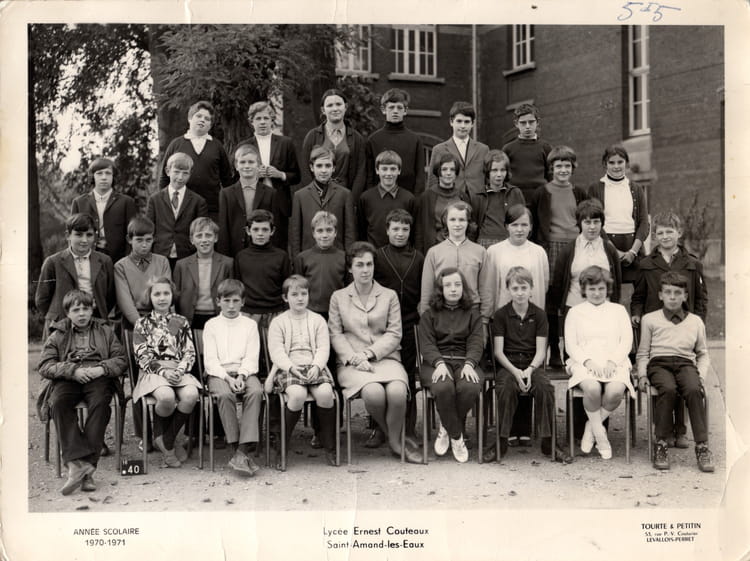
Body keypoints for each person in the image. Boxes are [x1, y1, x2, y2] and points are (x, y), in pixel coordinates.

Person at [328, 242, 421, 463]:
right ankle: (395, 440)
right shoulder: (338, 297)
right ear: (350, 268)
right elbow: (335, 334)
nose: (365, 270)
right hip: (352, 362)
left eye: (369, 264)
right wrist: (354, 358)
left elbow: (394, 333)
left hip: (385, 358)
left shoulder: (389, 295)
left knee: (398, 391)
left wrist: (368, 353)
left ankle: (393, 439)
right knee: (373, 393)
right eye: (359, 265)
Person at [631, 210, 708, 449]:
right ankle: (662, 430)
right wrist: (636, 313)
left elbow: (701, 298)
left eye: (669, 232)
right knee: (665, 384)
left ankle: (681, 430)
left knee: (685, 379)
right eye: (660, 232)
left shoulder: (692, 264)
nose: (665, 236)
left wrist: (697, 322)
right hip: (657, 329)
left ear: (679, 233)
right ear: (654, 236)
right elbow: (638, 296)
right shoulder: (646, 264)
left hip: (682, 328)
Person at [38, 289, 126, 495]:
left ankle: (80, 467)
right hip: (69, 377)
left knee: (101, 403)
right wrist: (72, 371)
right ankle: (83, 469)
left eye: (86, 308)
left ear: (92, 309)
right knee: (58, 402)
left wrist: (101, 369)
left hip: (97, 376)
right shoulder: (58, 333)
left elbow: (121, 359)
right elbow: (45, 365)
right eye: (76, 310)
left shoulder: (105, 330)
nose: (82, 313)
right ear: (67, 313)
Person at [488, 267, 571, 463]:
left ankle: (549, 442)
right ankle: (501, 441)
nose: (519, 293)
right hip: (509, 365)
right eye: (515, 288)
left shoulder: (539, 315)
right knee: (505, 389)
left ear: (531, 289)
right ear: (508, 290)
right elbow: (498, 351)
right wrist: (516, 372)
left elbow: (541, 351)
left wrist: (530, 370)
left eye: (524, 288)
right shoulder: (501, 315)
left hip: (532, 364)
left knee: (545, 388)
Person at [636, 272, 713, 472]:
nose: (672, 297)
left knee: (694, 390)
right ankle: (661, 444)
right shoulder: (649, 319)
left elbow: (703, 354)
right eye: (668, 292)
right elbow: (643, 353)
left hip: (686, 364)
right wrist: (642, 374)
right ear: (660, 295)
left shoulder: (695, 321)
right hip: (659, 364)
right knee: (668, 389)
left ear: (685, 296)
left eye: (677, 293)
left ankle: (702, 446)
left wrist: (700, 376)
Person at [264, 275, 338, 466]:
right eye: (294, 294)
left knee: (326, 393)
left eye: (304, 294)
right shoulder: (279, 322)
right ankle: (282, 446)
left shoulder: (318, 320)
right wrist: (290, 367)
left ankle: (330, 446)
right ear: (285, 297)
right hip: (288, 368)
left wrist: (317, 366)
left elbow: (323, 348)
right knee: (297, 395)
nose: (300, 298)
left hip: (313, 366)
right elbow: (276, 352)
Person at [527, 145, 588, 368]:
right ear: (551, 168)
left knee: (573, 299)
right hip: (550, 247)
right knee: (552, 303)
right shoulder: (541, 193)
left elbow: (586, 220)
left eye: (567, 166)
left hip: (575, 247)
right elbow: (535, 225)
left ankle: (573, 351)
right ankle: (553, 351)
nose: (563, 170)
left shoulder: (579, 192)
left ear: (573, 168)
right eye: (559, 166)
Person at [564, 266, 634, 459]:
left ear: (607, 289)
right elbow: (570, 344)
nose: (596, 293)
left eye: (601, 288)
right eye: (592, 289)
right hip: (584, 362)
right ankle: (601, 438)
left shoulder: (618, 310)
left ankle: (591, 427)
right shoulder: (575, 312)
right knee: (593, 389)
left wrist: (613, 361)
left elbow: (626, 341)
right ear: (584, 289)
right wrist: (587, 362)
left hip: (615, 361)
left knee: (615, 392)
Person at [113, 216, 171, 450]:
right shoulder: (121, 266)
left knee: (162, 375)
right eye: (139, 240)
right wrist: (142, 326)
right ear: (130, 240)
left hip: (161, 322)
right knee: (139, 379)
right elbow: (125, 300)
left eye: (148, 240)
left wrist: (162, 325)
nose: (144, 244)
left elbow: (166, 292)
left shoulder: (162, 261)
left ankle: (161, 432)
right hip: (134, 325)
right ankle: (144, 435)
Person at [132, 277, 201, 467]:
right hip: (153, 371)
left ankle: (167, 440)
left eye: (166, 293)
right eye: (157, 294)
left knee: (191, 395)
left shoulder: (181, 321)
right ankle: (163, 439)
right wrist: (163, 372)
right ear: (150, 297)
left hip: (178, 368)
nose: (162, 298)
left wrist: (180, 370)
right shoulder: (142, 323)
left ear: (172, 296)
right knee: (166, 397)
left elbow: (189, 351)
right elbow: (142, 356)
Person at [417, 268, 483, 463]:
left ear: (463, 287)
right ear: (441, 289)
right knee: (443, 387)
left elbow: (476, 342)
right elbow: (427, 344)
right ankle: (457, 437)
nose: (453, 289)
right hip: (436, 362)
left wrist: (470, 364)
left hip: (465, 361)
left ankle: (446, 427)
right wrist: (438, 363)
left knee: (470, 387)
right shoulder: (429, 315)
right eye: (448, 285)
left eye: (457, 284)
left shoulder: (473, 314)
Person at [202, 279, 263, 475]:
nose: (231, 306)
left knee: (256, 391)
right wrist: (229, 379)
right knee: (224, 395)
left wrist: (242, 376)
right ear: (218, 301)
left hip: (245, 371)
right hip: (219, 373)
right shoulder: (211, 325)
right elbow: (210, 361)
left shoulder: (250, 325)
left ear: (243, 302)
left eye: (236, 301)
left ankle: (241, 451)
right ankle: (235, 446)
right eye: (226, 300)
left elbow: (252, 357)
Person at [374, 209, 425, 443]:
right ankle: (379, 428)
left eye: (405, 229)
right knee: (380, 375)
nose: (400, 233)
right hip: (383, 325)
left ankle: (409, 427)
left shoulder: (419, 258)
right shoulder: (378, 256)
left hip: (409, 322)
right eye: (395, 228)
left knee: (407, 375)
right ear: (387, 230)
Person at [587, 145, 649, 303]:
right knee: (609, 295)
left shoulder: (636, 189)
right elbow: (594, 221)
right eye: (612, 162)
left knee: (641, 296)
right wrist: (615, 251)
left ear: (626, 163)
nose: (616, 166)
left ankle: (637, 319)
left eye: (620, 162)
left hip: (633, 247)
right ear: (605, 164)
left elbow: (644, 222)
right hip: (607, 246)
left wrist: (633, 252)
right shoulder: (595, 189)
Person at [235, 101, 301, 250]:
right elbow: (236, 177)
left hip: (279, 201)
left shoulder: (285, 143)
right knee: (253, 241)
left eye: (266, 118)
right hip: (253, 200)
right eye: (258, 118)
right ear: (252, 121)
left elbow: (297, 176)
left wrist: (280, 174)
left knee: (279, 243)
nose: (263, 122)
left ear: (272, 120)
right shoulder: (244, 146)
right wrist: (253, 175)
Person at [550, 199, 623, 331]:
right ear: (579, 223)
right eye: (587, 222)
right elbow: (558, 286)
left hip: (604, 312)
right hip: (574, 309)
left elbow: (616, 283)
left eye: (596, 222)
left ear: (602, 223)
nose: (592, 227)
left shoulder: (610, 250)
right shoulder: (568, 251)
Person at [158, 100, 234, 220]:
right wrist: (164, 205)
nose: (202, 120)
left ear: (210, 125)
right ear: (190, 119)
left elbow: (227, 180)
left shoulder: (217, 146)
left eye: (207, 119)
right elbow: (164, 178)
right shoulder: (176, 144)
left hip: (211, 208)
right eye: (198, 116)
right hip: (181, 208)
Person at [35, 213, 115, 327]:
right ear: (68, 235)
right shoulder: (53, 262)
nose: (84, 240)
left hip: (95, 321)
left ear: (95, 236)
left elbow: (110, 296)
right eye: (78, 235)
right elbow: (42, 299)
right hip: (62, 323)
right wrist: (57, 317)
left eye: (89, 235)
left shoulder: (105, 261)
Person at [419, 201, 492, 324]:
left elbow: (485, 288)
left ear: (468, 222)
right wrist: (426, 316)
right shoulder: (434, 252)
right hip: (442, 312)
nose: (457, 224)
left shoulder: (480, 251)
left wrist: (484, 318)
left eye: (462, 220)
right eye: (452, 220)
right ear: (445, 222)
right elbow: (427, 289)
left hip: (472, 312)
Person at [300, 89, 367, 205]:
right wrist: (314, 198)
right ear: (323, 110)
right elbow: (305, 170)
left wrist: (352, 200)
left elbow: (361, 172)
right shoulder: (312, 136)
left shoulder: (357, 138)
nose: (335, 109)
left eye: (338, 104)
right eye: (330, 105)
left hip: (346, 196)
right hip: (318, 197)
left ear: (345, 107)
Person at [290, 146, 356, 260]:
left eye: (328, 165)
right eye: (319, 166)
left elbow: (349, 232)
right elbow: (295, 234)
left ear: (333, 168)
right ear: (312, 167)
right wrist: (297, 261)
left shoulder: (345, 194)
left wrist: (348, 259)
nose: (324, 170)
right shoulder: (300, 196)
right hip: (308, 257)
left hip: (337, 257)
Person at [147, 152, 209, 269]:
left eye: (185, 173)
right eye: (176, 172)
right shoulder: (155, 200)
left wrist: (192, 249)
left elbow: (200, 231)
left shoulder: (198, 201)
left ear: (190, 174)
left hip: (187, 257)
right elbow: (149, 229)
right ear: (168, 171)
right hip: (160, 256)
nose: (180, 177)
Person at [217, 143, 280, 257]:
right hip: (234, 250)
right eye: (242, 162)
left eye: (251, 162)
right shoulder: (226, 194)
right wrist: (224, 256)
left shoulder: (271, 193)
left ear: (258, 165)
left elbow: (275, 226)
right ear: (236, 165)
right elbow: (223, 228)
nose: (247, 166)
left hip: (262, 251)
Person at [71, 157, 137, 264]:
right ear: (92, 176)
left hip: (118, 260)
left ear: (113, 176)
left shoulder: (126, 202)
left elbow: (132, 235)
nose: (104, 177)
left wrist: (128, 262)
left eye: (108, 173)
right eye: (99, 173)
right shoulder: (79, 203)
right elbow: (73, 236)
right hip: (87, 259)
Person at [173, 217, 233, 330]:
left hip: (218, 317)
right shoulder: (182, 265)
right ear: (192, 239)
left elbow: (232, 294)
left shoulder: (227, 263)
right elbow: (176, 296)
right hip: (190, 318)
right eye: (199, 236)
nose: (204, 240)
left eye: (208, 235)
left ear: (216, 238)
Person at [486, 204, 549, 312]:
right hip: (503, 314)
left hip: (532, 314)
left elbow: (544, 285)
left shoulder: (539, 252)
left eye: (524, 225)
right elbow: (489, 288)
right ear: (507, 226)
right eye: (514, 225)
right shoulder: (494, 251)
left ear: (531, 226)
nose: (519, 229)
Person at [234, 209, 290, 328]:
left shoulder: (281, 256)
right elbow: (238, 287)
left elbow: (286, 288)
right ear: (248, 231)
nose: (260, 234)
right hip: (248, 313)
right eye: (256, 229)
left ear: (272, 231)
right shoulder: (241, 257)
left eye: (265, 229)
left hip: (275, 313)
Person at [365, 88, 426, 195]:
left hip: (408, 199)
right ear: (383, 109)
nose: (395, 111)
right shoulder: (373, 140)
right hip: (379, 198)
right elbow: (369, 177)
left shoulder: (415, 140)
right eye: (391, 107)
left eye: (399, 107)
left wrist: (416, 200)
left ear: (405, 110)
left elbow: (420, 176)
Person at [426, 101, 490, 196]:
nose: (463, 126)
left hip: (477, 200)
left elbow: (488, 179)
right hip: (450, 199)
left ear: (472, 123)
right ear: (451, 122)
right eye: (459, 121)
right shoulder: (439, 149)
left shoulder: (483, 149)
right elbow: (433, 182)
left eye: (467, 122)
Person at [357, 150, 417, 249]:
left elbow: (413, 231)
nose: (388, 173)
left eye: (393, 169)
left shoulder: (409, 198)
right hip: (374, 251)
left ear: (399, 171)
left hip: (400, 252)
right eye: (384, 169)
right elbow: (361, 229)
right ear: (377, 170)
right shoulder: (366, 198)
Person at [414, 152, 472, 255]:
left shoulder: (463, 197)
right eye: (444, 169)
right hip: (434, 247)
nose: (448, 173)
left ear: (456, 173)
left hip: (459, 248)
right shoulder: (426, 197)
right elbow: (419, 229)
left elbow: (470, 225)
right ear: (438, 171)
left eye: (452, 169)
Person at [469, 149, 525, 248]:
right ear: (487, 172)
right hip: (485, 241)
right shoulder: (478, 196)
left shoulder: (515, 193)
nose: (499, 174)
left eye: (502, 170)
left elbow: (523, 220)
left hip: (509, 241)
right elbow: (474, 224)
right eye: (494, 170)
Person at [501, 103, 552, 200]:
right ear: (516, 124)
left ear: (537, 122)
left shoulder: (546, 147)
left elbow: (550, 174)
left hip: (541, 196)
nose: (527, 126)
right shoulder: (508, 149)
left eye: (531, 122)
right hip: (515, 196)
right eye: (523, 123)